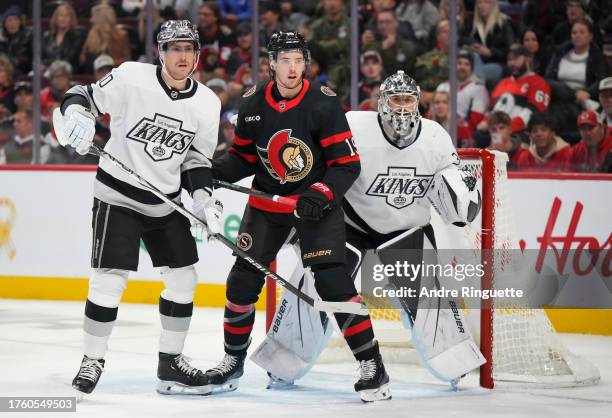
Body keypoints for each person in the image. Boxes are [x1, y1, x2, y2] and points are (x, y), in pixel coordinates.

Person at [252, 71, 485, 395]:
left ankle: (454, 361)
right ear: (381, 102)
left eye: (408, 100)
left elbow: (453, 192)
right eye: (395, 99)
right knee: (315, 282)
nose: (402, 107)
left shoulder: (435, 137)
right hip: (350, 224)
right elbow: (321, 168)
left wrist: (460, 197)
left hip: (407, 227)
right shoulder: (355, 127)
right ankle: (283, 360)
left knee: (430, 298)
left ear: (418, 103)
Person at [210, 31, 390, 402]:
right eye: (284, 60)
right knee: (241, 282)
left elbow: (346, 164)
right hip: (267, 207)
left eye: (298, 60)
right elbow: (243, 156)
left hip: (315, 207)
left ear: (304, 63)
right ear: (271, 64)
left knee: (333, 283)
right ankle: (232, 362)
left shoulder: (323, 104)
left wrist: (320, 193)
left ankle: (373, 365)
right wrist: (214, 172)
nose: (292, 68)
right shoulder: (252, 103)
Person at [58, 20, 223, 397]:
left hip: (163, 201)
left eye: (189, 49)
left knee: (184, 281)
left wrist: (204, 200)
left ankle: (171, 364)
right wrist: (77, 115)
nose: (183, 56)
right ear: (161, 53)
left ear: (197, 55)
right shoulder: (132, 77)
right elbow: (80, 94)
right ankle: (92, 359)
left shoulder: (207, 103)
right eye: (174, 49)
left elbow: (196, 160)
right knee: (109, 279)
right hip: (117, 192)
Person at [490, 45, 551, 136]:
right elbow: (492, 110)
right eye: (509, 60)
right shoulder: (502, 83)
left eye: (516, 59)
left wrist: (506, 129)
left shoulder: (538, 82)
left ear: (528, 59)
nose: (512, 63)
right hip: (496, 132)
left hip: (522, 133)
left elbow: (533, 114)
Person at [437, 49, 490, 147]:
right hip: (440, 131)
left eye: (467, 64)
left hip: (464, 137)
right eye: (459, 63)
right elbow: (432, 113)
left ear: (472, 68)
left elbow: (475, 121)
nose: (462, 67)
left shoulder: (478, 88)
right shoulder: (443, 86)